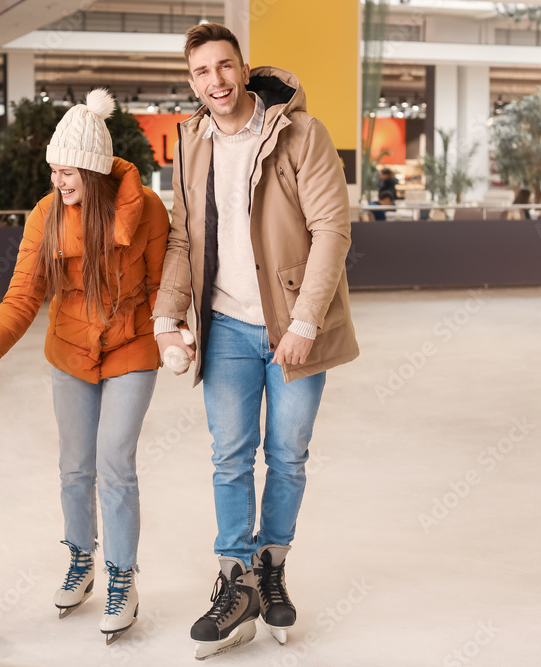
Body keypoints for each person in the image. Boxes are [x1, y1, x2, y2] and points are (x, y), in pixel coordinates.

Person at [152, 23, 359, 658]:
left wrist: (302, 322)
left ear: (243, 69)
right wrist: (168, 318)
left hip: (291, 324)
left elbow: (332, 230)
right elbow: (184, 237)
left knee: (288, 454)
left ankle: (272, 564)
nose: (213, 81)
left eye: (223, 66)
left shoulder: (302, 134)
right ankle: (234, 579)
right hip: (225, 327)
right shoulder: (191, 141)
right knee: (229, 457)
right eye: (200, 72)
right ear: (191, 82)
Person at [0, 89, 169, 645]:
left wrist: (180, 334)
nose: (58, 181)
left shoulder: (148, 212)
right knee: (74, 469)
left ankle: (121, 576)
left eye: (67, 171)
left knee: (114, 463)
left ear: (92, 170)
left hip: (132, 346)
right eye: (54, 170)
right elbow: (22, 299)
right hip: (70, 351)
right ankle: (81, 557)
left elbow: (166, 287)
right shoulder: (45, 216)